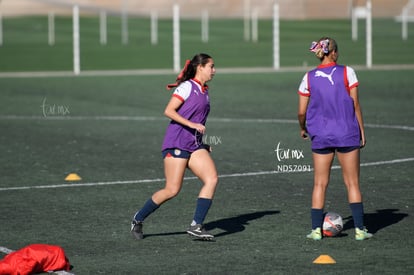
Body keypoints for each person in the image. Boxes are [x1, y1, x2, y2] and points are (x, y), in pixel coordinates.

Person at [131, 53, 218, 240]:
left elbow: (197, 120)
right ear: (200, 67)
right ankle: (137, 219)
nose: (214, 70)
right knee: (172, 189)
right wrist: (192, 125)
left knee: (212, 179)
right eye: (211, 66)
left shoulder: (205, 91)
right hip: (176, 143)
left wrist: (201, 143)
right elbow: (168, 111)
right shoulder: (187, 87)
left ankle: (196, 225)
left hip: (194, 146)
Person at [297, 37, 373, 241]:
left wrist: (303, 128)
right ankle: (359, 230)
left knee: (320, 184)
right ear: (335, 53)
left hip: (320, 135)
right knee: (353, 183)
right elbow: (355, 104)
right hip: (347, 133)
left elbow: (301, 112)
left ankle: (315, 231)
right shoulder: (348, 72)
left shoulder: (308, 77)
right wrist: (361, 131)